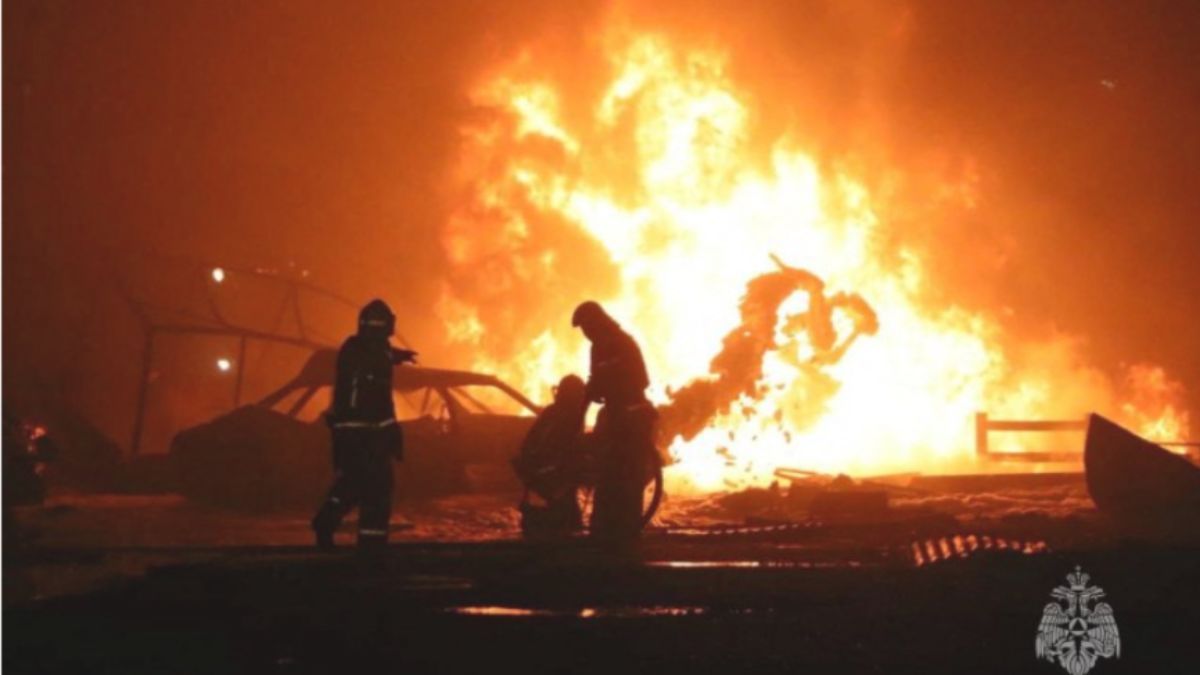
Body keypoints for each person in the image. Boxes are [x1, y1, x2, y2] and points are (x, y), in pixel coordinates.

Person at [311, 299, 417, 552]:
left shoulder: (368, 349)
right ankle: (346, 534)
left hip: (371, 438)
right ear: (385, 324)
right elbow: (365, 397)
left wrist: (396, 356)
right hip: (363, 439)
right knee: (367, 489)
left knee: (366, 489)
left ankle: (362, 540)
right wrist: (367, 436)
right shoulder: (362, 353)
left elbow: (375, 356)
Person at [571, 301, 657, 542]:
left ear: (598, 321)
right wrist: (579, 416)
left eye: (587, 326)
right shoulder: (597, 348)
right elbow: (595, 382)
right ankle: (607, 527)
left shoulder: (621, 342)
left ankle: (626, 531)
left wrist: (609, 385)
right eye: (583, 329)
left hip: (633, 416)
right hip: (616, 415)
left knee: (626, 475)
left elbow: (641, 380)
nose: (586, 333)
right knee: (609, 475)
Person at [512, 374, 589, 536]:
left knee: (563, 502)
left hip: (539, 467)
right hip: (550, 469)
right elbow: (566, 446)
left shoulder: (553, 411)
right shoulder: (569, 415)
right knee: (566, 506)